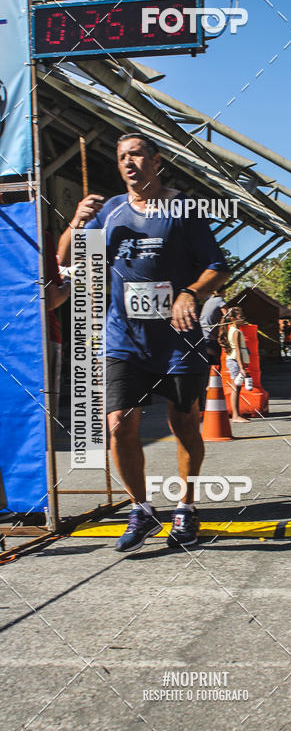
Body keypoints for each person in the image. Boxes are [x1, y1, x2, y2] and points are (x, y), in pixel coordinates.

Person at [57, 132, 229, 551]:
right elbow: (66, 258)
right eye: (121, 157)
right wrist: (77, 221)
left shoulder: (182, 208)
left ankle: (186, 509)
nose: (129, 162)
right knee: (118, 425)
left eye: (136, 154)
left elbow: (217, 266)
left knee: (183, 422)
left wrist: (190, 292)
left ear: (156, 159)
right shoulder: (110, 211)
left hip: (177, 339)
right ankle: (143, 510)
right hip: (123, 338)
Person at [44, 230, 71, 417]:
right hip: (40, 336)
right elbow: (51, 299)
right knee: (42, 424)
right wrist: (70, 282)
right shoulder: (34, 231)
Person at [219, 307, 251, 423]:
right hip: (235, 361)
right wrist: (242, 368)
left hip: (234, 360)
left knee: (237, 387)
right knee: (236, 388)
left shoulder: (233, 329)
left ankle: (236, 414)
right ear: (232, 319)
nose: (243, 318)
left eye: (243, 316)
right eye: (240, 317)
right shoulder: (236, 332)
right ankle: (235, 415)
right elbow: (237, 350)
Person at [200, 289, 227, 367]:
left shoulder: (208, 301)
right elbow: (227, 315)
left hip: (203, 335)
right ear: (222, 291)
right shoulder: (220, 300)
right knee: (221, 358)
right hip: (210, 337)